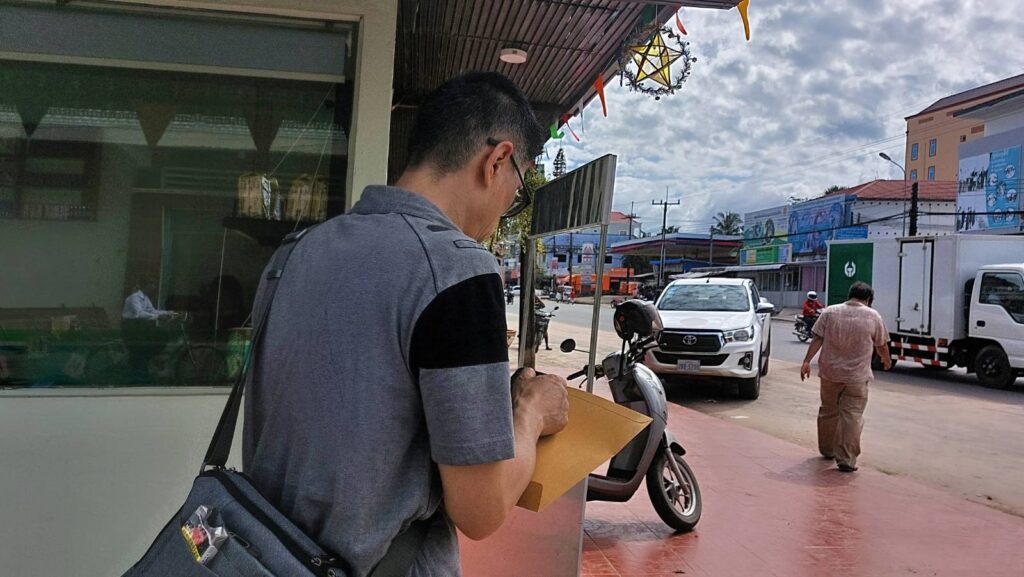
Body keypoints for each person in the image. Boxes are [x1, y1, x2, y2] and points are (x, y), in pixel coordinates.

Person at [243, 72, 569, 577]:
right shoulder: (459, 272)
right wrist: (531, 413)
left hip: (265, 558)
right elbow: (480, 510)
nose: (508, 208)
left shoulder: (294, 253)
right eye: (519, 189)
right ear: (497, 160)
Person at [800, 282, 891, 472]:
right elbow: (881, 344)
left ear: (850, 295)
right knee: (852, 416)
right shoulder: (873, 316)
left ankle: (827, 449)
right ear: (868, 300)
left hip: (830, 374)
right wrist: (886, 360)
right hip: (857, 377)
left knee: (828, 411)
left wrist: (807, 361)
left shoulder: (829, 312)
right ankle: (846, 460)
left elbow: (817, 338)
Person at [121, 279, 178, 382]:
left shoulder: (145, 298)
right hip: (132, 327)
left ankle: (144, 361)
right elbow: (139, 314)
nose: (154, 287)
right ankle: (140, 364)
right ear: (146, 286)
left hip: (141, 326)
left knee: (161, 335)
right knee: (148, 342)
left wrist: (168, 313)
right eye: (152, 284)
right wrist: (158, 317)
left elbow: (152, 311)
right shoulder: (134, 297)